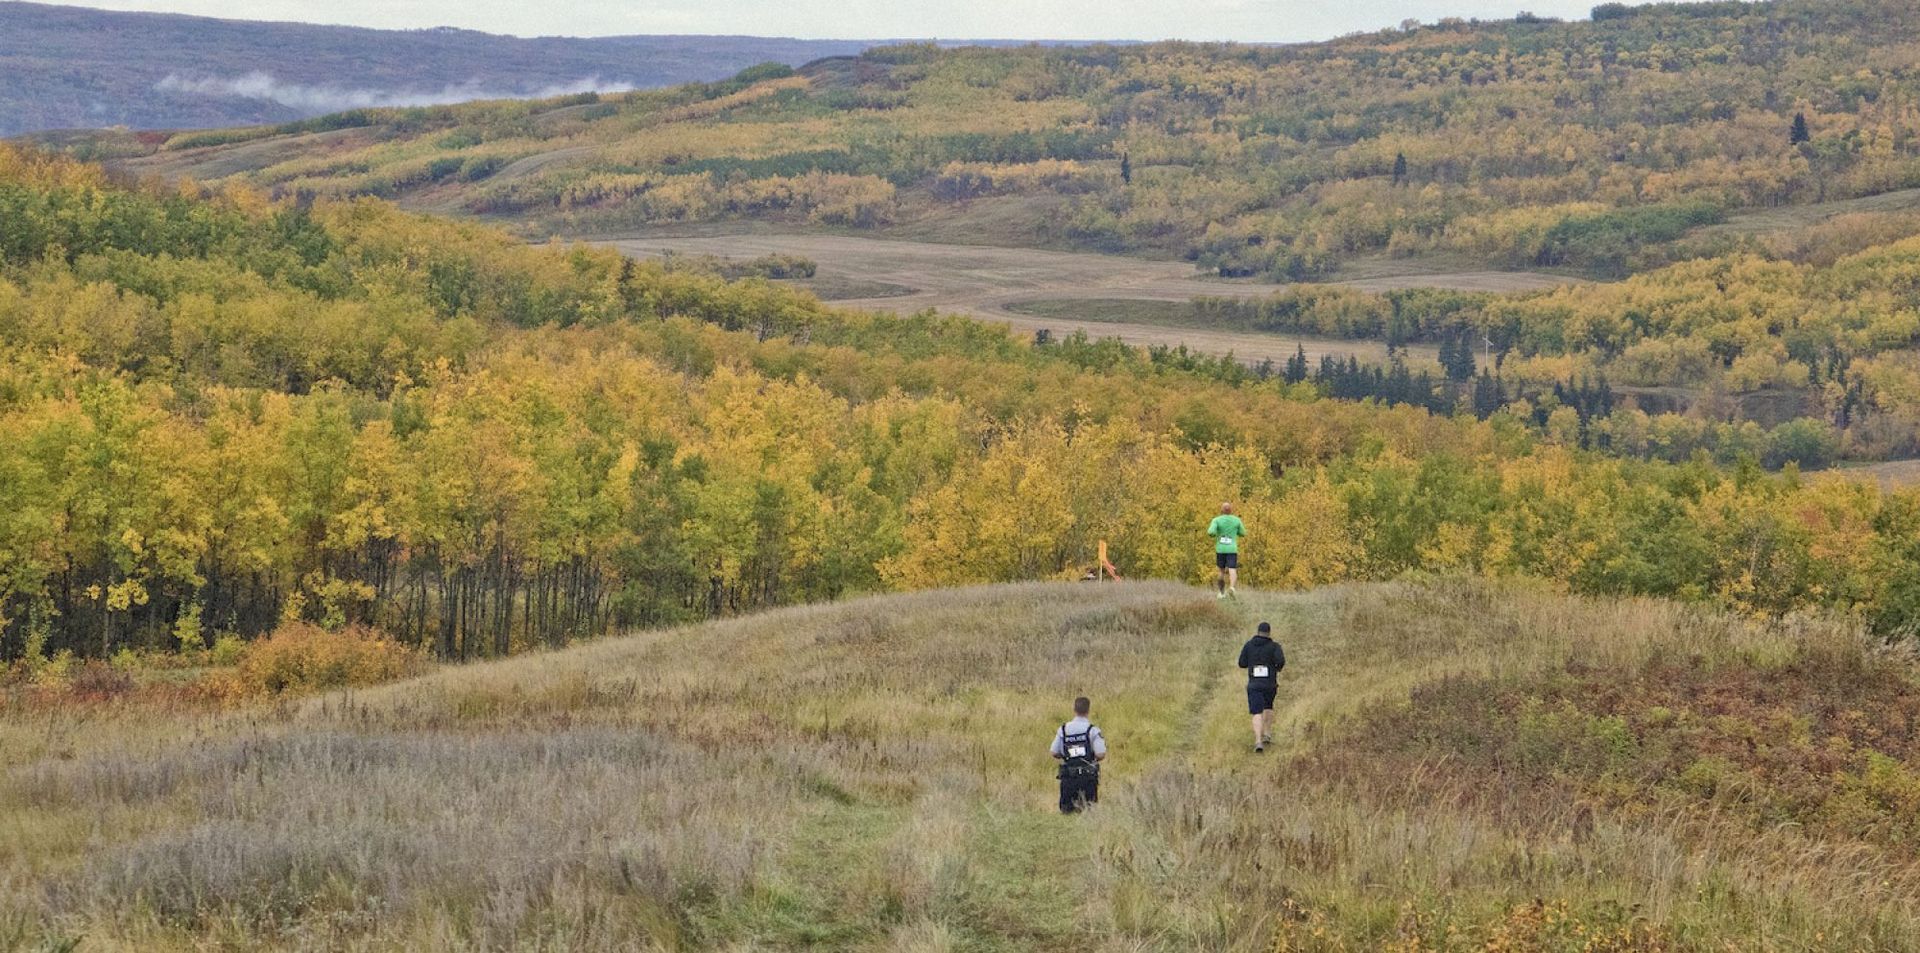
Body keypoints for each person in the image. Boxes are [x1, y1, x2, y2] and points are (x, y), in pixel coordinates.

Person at [1049, 696, 1107, 813]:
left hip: (1068, 779)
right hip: (1088, 779)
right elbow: (1100, 754)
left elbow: (1054, 752)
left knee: (1067, 814)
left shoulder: (1063, 730)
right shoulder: (1093, 730)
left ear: (1074, 709)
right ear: (1088, 710)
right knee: (1089, 812)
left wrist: (1067, 755)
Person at [1238, 621, 1285, 752]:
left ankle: (1258, 741)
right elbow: (1280, 661)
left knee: (1256, 712)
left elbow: (1241, 663)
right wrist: (1276, 668)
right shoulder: (1274, 646)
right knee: (1268, 706)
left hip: (1254, 684)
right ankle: (1267, 734)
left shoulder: (1249, 645)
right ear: (1269, 633)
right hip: (1270, 683)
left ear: (1257, 632)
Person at [1206, 503, 1246, 597]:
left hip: (1220, 549)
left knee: (1221, 571)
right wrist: (1236, 533)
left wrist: (1215, 534)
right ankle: (1232, 588)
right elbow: (1243, 533)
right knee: (1232, 569)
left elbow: (1210, 532)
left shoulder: (1216, 520)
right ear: (1231, 510)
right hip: (1232, 549)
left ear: (1221, 510)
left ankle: (1221, 592)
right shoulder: (1236, 520)